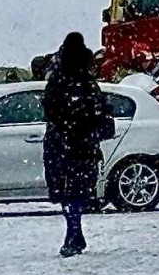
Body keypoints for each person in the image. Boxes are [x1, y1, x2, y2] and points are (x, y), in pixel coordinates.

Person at [42, 33, 114, 258]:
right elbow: (102, 113)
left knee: (64, 191)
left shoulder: (57, 82)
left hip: (60, 143)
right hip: (84, 145)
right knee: (78, 191)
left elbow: (49, 110)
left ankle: (73, 232)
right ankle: (75, 232)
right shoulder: (89, 84)